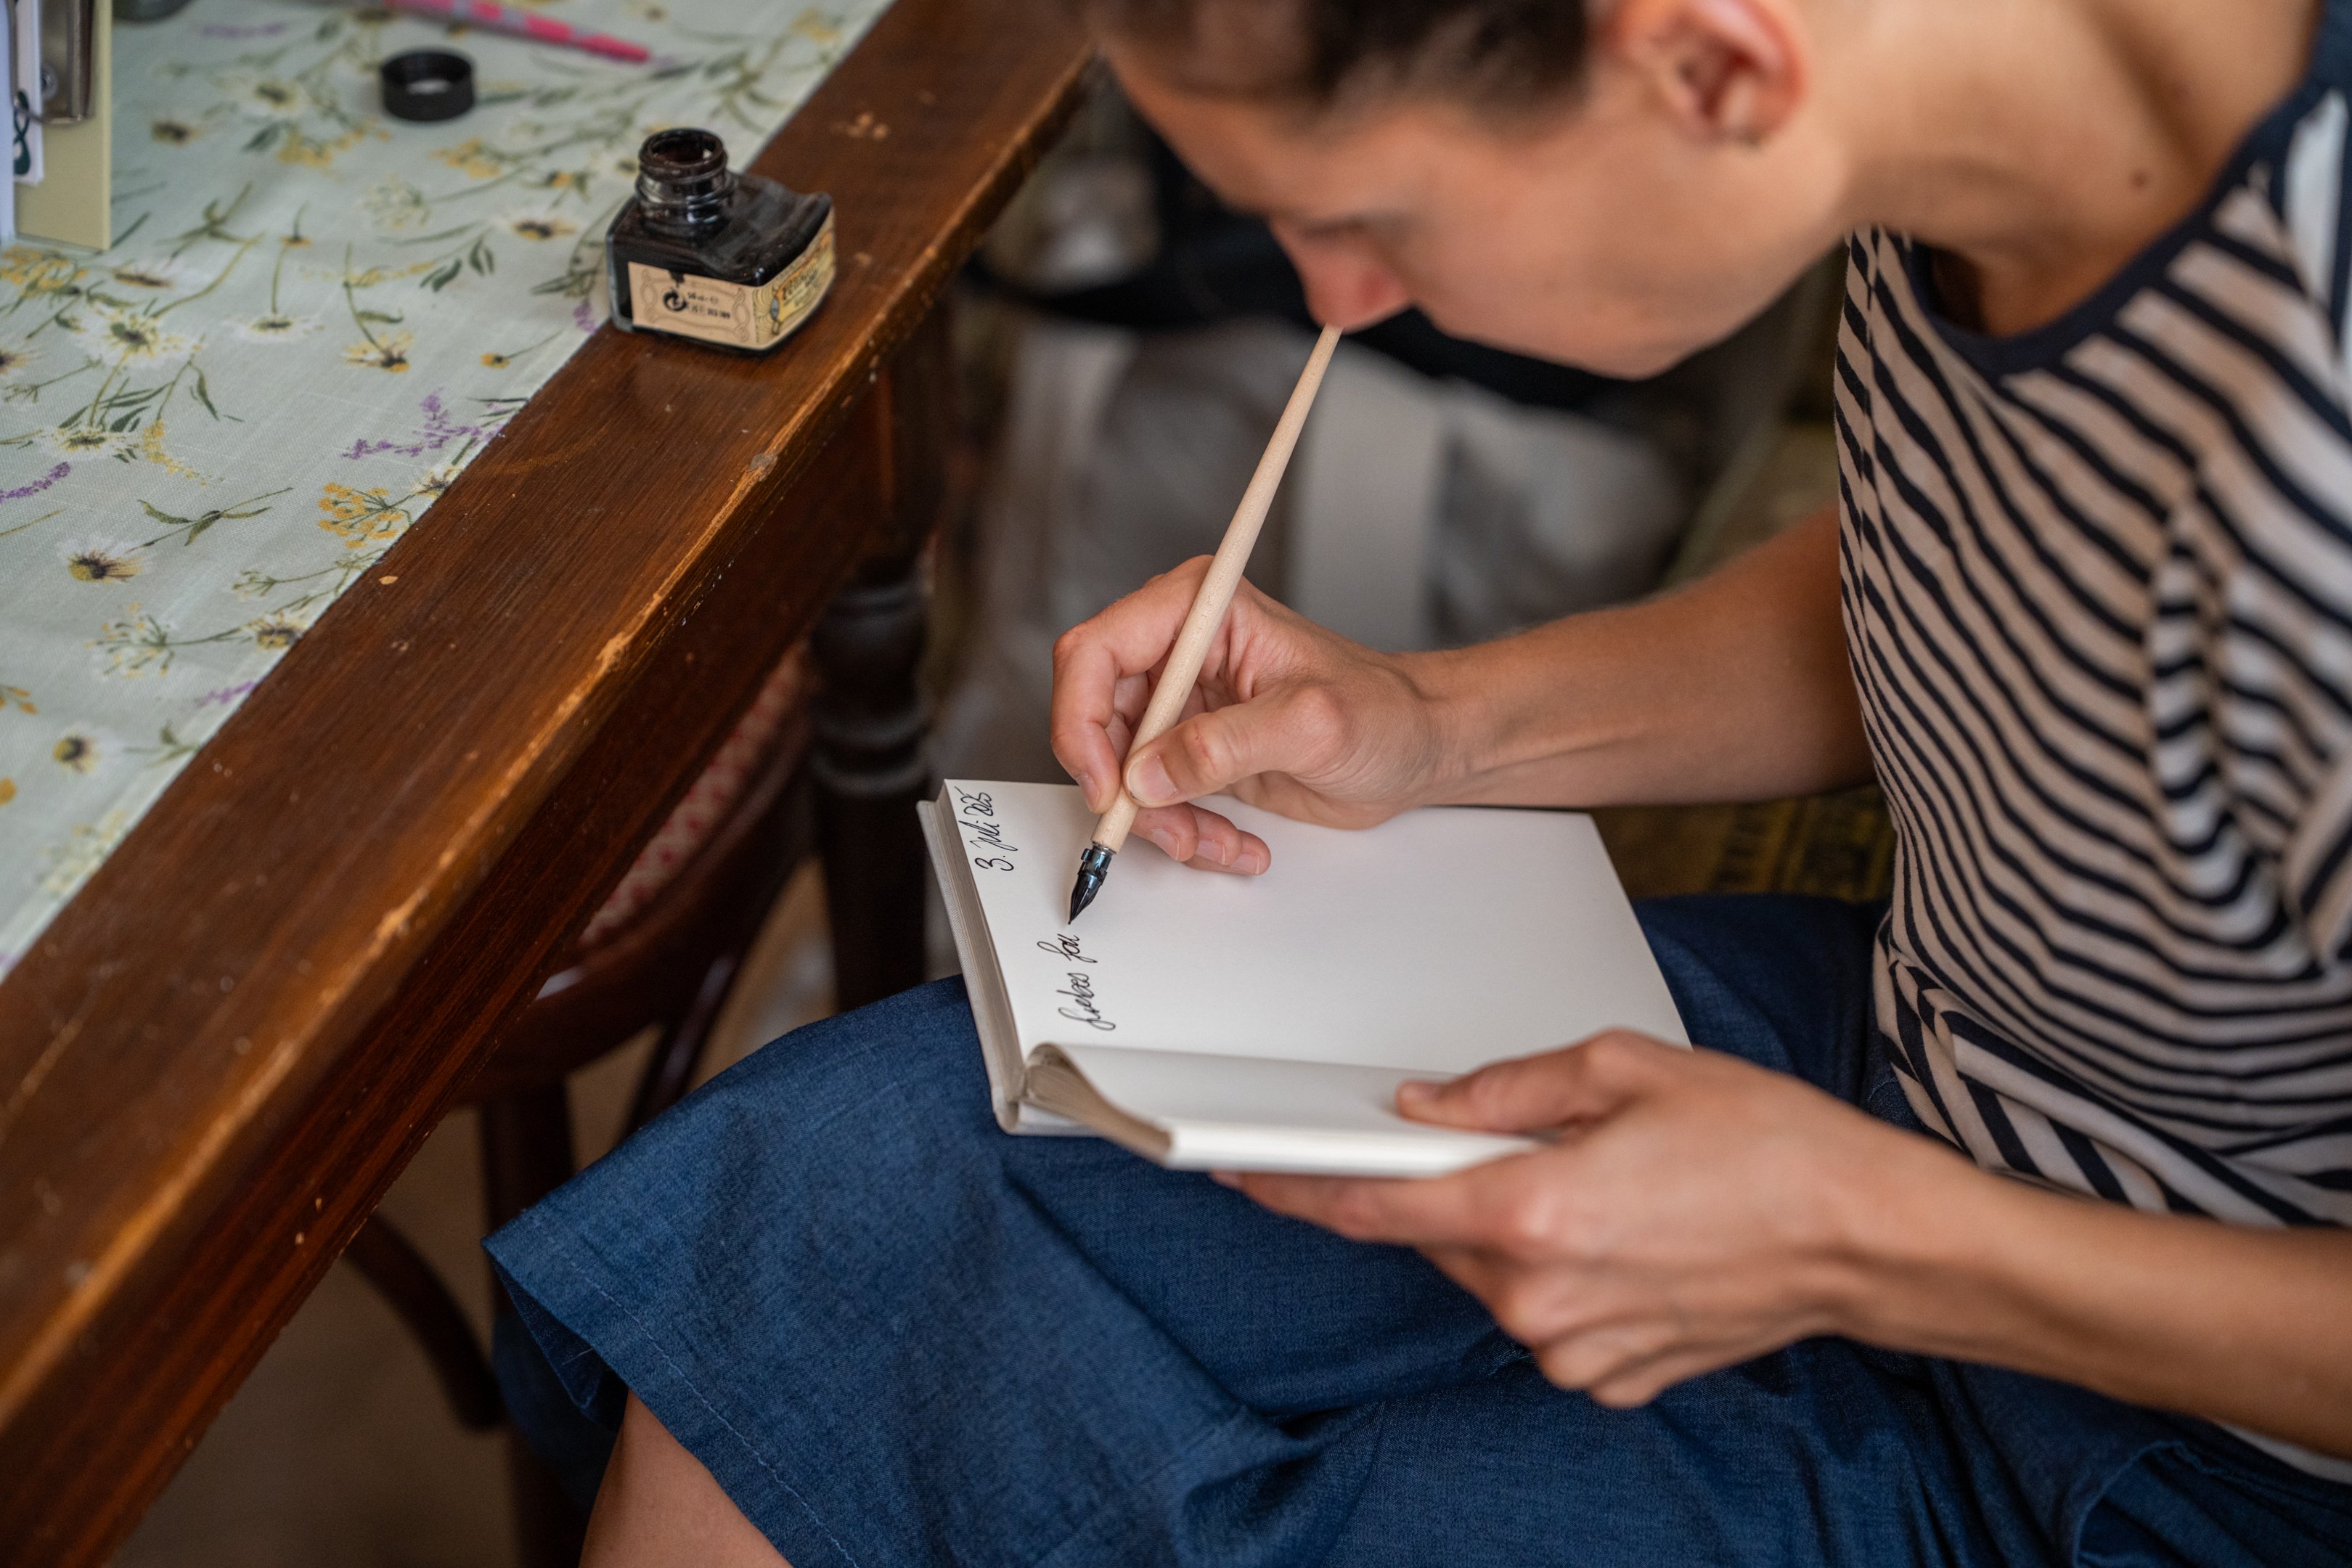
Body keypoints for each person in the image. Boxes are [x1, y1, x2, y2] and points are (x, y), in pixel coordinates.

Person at [486, 1, 2352, 1563]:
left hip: (2203, 1463)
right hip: (1911, 1064)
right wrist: (1436, 727)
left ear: (1707, 70)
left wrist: (1867, 1238)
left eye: (1364, 213)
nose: (1334, 297)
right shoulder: (1941, 81)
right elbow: (1990, 573)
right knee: (822, 1217)